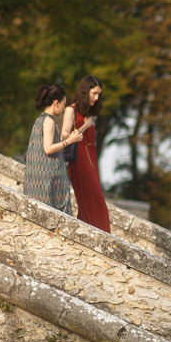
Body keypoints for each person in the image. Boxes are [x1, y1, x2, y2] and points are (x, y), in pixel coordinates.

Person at [23, 84, 83, 214]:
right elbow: (48, 149)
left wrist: (65, 139)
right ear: (56, 103)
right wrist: (70, 141)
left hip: (37, 177)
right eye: (63, 104)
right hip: (48, 178)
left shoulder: (39, 120)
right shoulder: (48, 121)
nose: (63, 108)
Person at [63, 75, 110, 231]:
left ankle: (85, 232)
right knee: (96, 203)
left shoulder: (89, 113)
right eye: (94, 93)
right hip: (79, 159)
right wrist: (84, 126)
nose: (97, 98)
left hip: (91, 158)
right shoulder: (71, 110)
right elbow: (65, 137)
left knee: (92, 202)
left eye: (99, 95)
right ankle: (102, 236)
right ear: (85, 92)